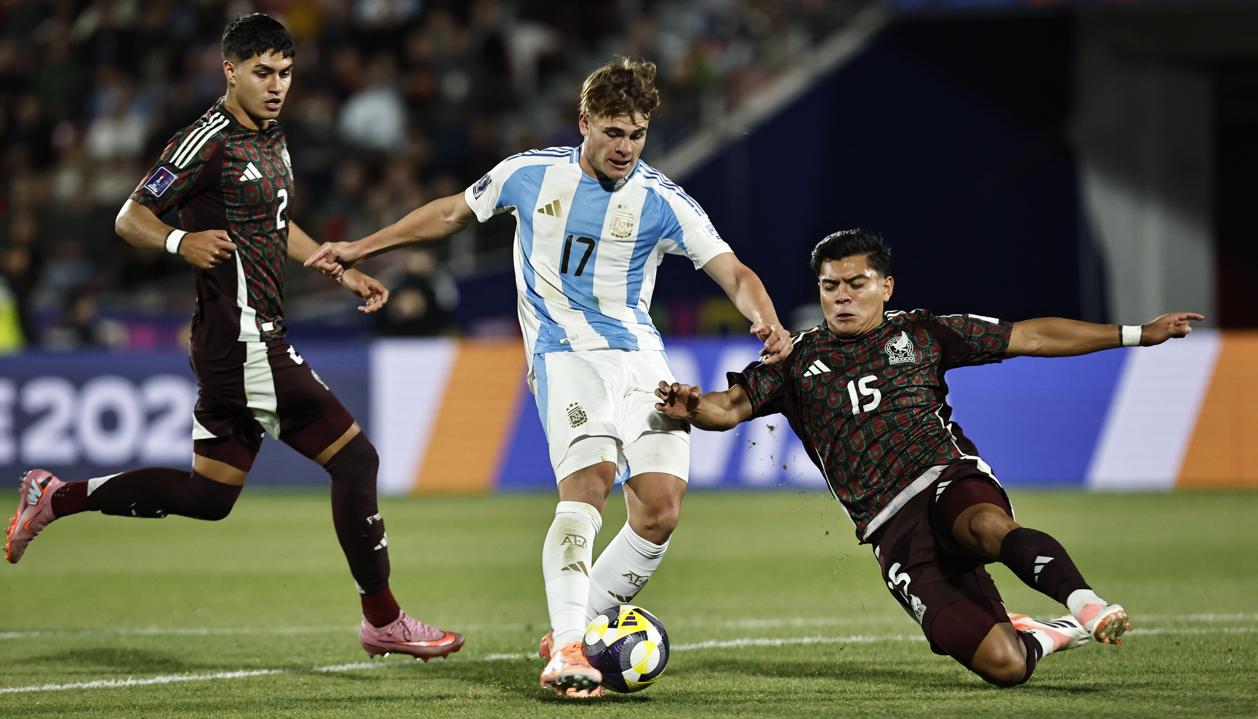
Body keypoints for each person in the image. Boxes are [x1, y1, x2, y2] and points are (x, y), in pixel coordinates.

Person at [305, 57, 792, 697]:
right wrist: (361, 248)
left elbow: (733, 272)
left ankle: (576, 622)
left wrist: (769, 324)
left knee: (660, 511)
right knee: (588, 485)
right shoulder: (529, 174)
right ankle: (566, 651)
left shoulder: (662, 200)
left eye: (637, 134)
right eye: (614, 132)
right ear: (584, 122)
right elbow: (452, 213)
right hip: (563, 354)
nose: (625, 148)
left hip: (640, 360)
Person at [3, 13, 463, 663]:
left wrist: (339, 267)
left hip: (239, 339)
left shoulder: (272, 137)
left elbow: (273, 222)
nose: (277, 86)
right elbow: (130, 215)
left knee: (210, 494)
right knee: (355, 460)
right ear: (230, 71)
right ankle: (383, 618)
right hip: (242, 340)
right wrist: (179, 240)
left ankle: (54, 496)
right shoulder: (205, 141)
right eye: (262, 73)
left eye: (286, 73)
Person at [655, 229, 1204, 687]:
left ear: (885, 286)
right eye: (829, 287)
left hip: (945, 476)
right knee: (1005, 665)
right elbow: (726, 410)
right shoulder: (793, 361)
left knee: (985, 524)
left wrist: (1138, 333)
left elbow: (1032, 337)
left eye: (856, 283)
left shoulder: (922, 332)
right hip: (891, 530)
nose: (841, 296)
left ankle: (1086, 601)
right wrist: (692, 405)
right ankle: (1053, 630)